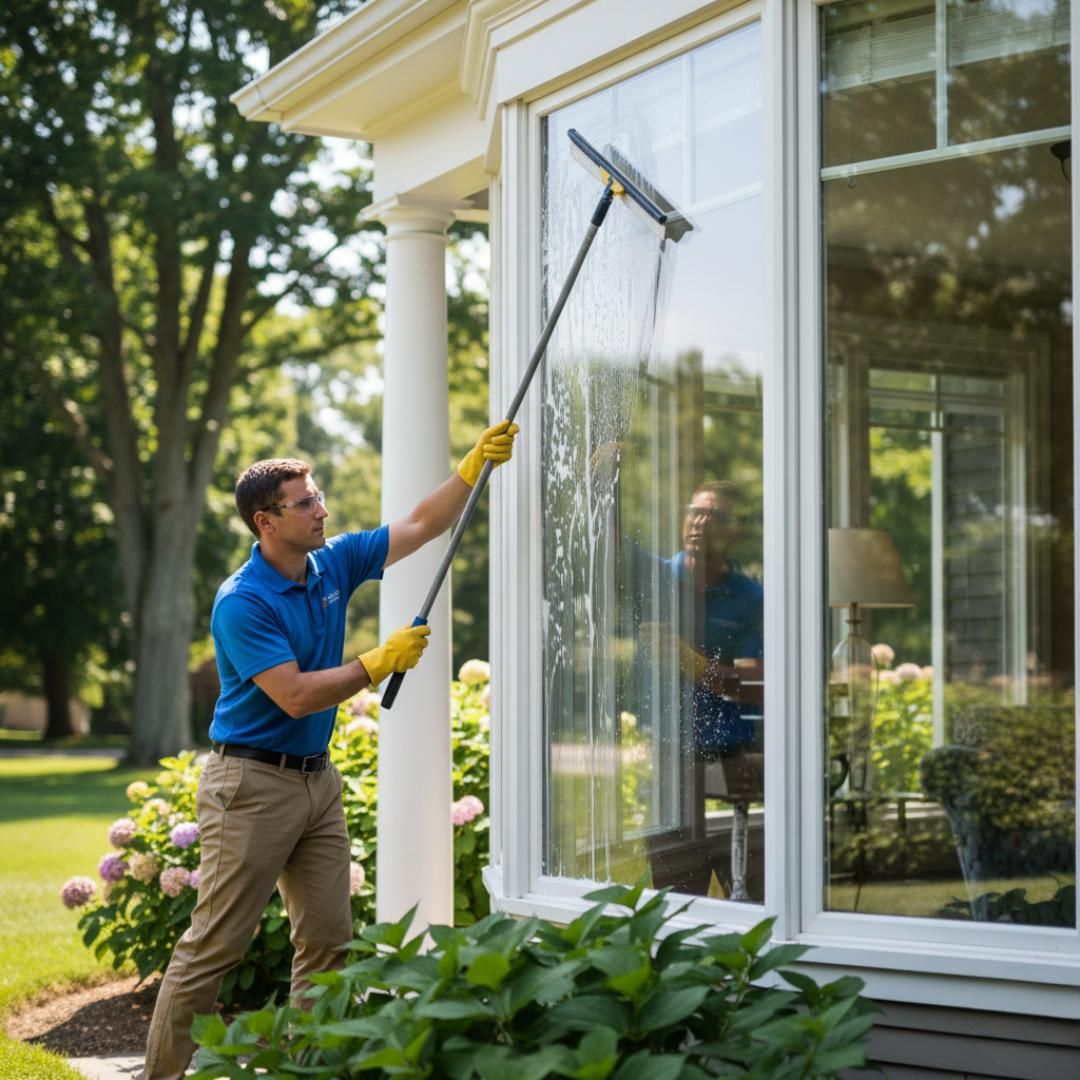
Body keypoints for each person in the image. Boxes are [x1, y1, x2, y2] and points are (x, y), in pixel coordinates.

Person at [143, 420, 519, 1080]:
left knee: (326, 943)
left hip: (317, 784)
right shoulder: (243, 602)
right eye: (305, 502)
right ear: (266, 520)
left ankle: (312, 1070)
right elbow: (291, 695)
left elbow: (421, 524)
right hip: (250, 786)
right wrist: (375, 664)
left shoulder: (333, 562)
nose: (322, 509)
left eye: (317, 496)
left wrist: (470, 468)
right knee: (215, 947)